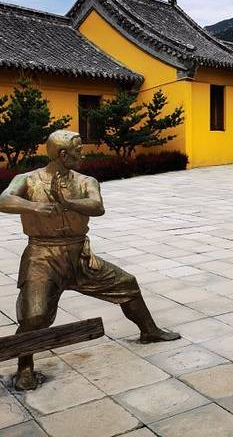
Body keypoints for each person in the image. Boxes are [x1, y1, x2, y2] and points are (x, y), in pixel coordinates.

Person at [0, 130, 180, 390]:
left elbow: (97, 207)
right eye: (78, 151)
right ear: (63, 154)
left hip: (80, 254)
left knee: (126, 284)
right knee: (34, 316)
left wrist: (67, 201)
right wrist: (35, 207)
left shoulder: (86, 181)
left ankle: (149, 330)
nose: (82, 155)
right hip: (42, 256)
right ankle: (25, 367)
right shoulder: (28, 179)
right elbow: (3, 199)